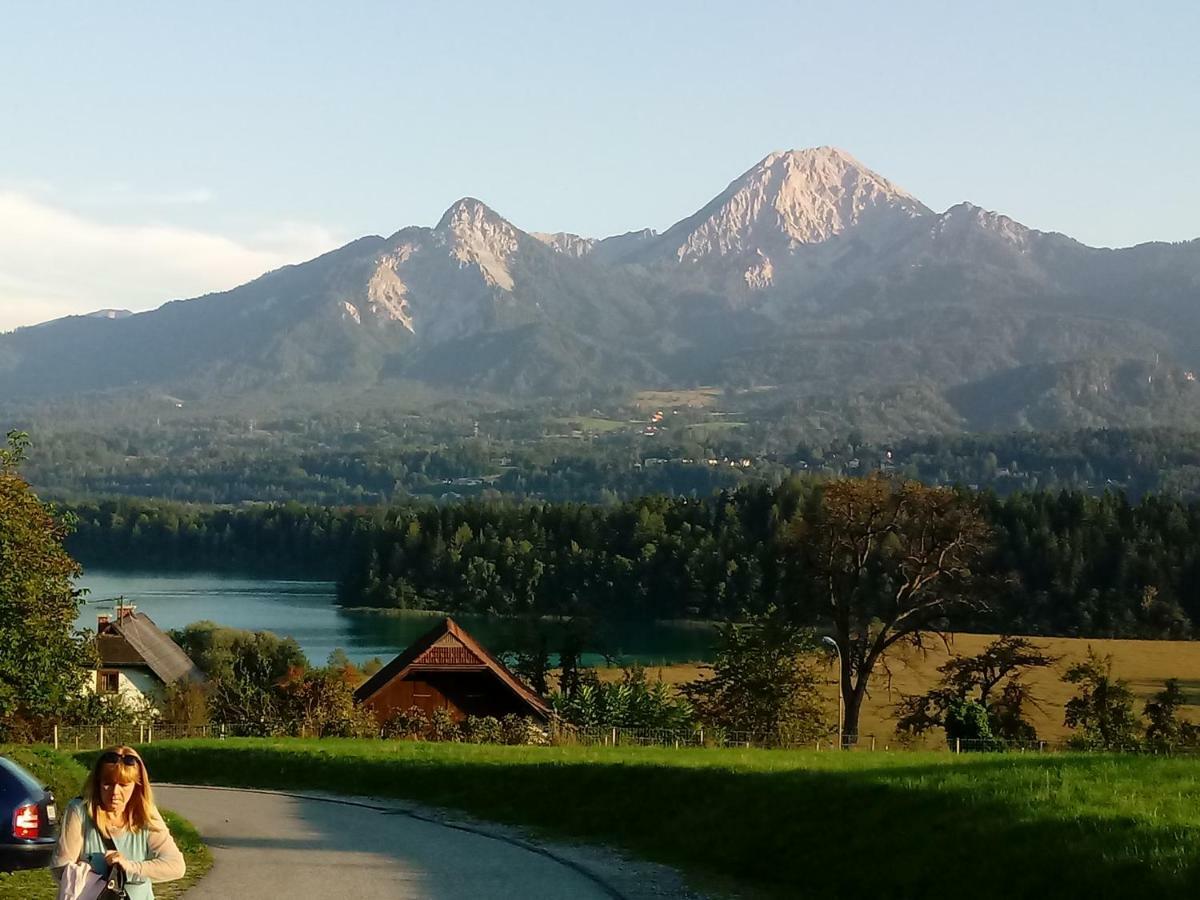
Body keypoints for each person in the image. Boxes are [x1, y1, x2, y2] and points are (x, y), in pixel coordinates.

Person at [50, 746, 185, 900]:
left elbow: (176, 866)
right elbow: (60, 869)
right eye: (108, 783)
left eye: (124, 785)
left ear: (137, 786)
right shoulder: (80, 810)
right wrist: (100, 878)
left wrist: (128, 867)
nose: (115, 792)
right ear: (97, 782)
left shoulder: (146, 814)